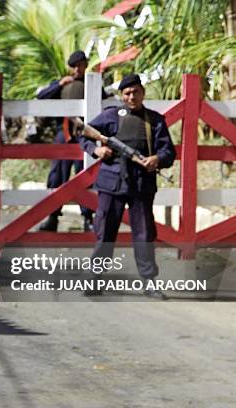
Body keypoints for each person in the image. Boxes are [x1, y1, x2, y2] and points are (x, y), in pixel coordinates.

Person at [78, 74, 176, 298]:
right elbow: (82, 132)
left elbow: (169, 152)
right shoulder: (110, 116)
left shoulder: (155, 121)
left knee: (144, 235)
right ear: (122, 96)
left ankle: (150, 281)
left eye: (135, 92)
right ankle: (95, 280)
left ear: (143, 93)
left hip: (141, 184)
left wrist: (157, 160)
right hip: (112, 183)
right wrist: (96, 150)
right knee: (105, 234)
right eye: (127, 93)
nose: (132, 97)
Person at [36, 50, 104, 232]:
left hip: (86, 135)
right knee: (57, 176)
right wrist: (58, 84)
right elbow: (41, 97)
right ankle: (52, 217)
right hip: (63, 134)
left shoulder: (93, 84)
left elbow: (106, 103)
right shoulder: (62, 84)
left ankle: (88, 218)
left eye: (80, 65)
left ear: (85, 65)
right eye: (73, 66)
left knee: (86, 175)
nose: (77, 69)